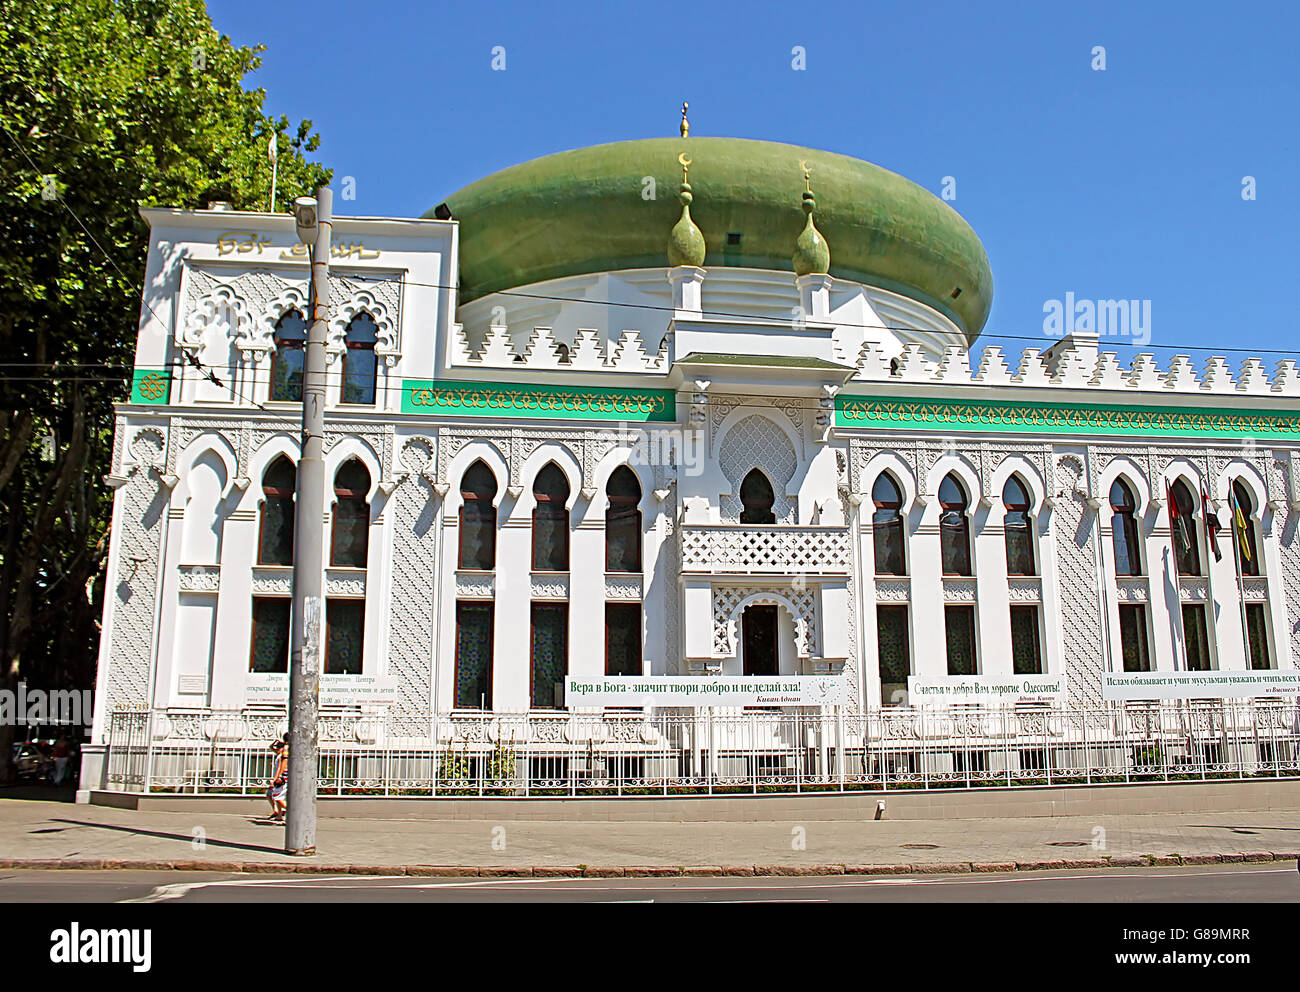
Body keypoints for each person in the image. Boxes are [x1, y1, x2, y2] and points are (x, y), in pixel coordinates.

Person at [267, 738, 289, 821]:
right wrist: (275, 742)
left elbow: (280, 767)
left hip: (282, 778)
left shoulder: (282, 756)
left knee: (277, 797)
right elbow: (271, 747)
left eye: (279, 748)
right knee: (274, 796)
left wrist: (276, 778)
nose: (277, 749)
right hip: (282, 778)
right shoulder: (280, 755)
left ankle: (291, 811)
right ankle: (279, 814)